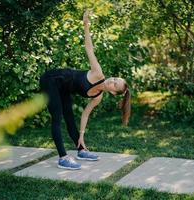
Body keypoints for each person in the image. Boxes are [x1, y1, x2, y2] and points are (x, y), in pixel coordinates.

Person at [39, 10, 131, 170]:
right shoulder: (98, 74)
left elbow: (85, 114)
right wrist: (86, 25)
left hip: (63, 89)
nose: (112, 81)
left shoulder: (98, 96)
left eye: (115, 85)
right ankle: (63, 157)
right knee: (57, 116)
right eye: (115, 79)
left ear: (113, 93)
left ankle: (81, 149)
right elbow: (89, 49)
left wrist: (81, 136)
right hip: (51, 80)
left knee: (70, 118)